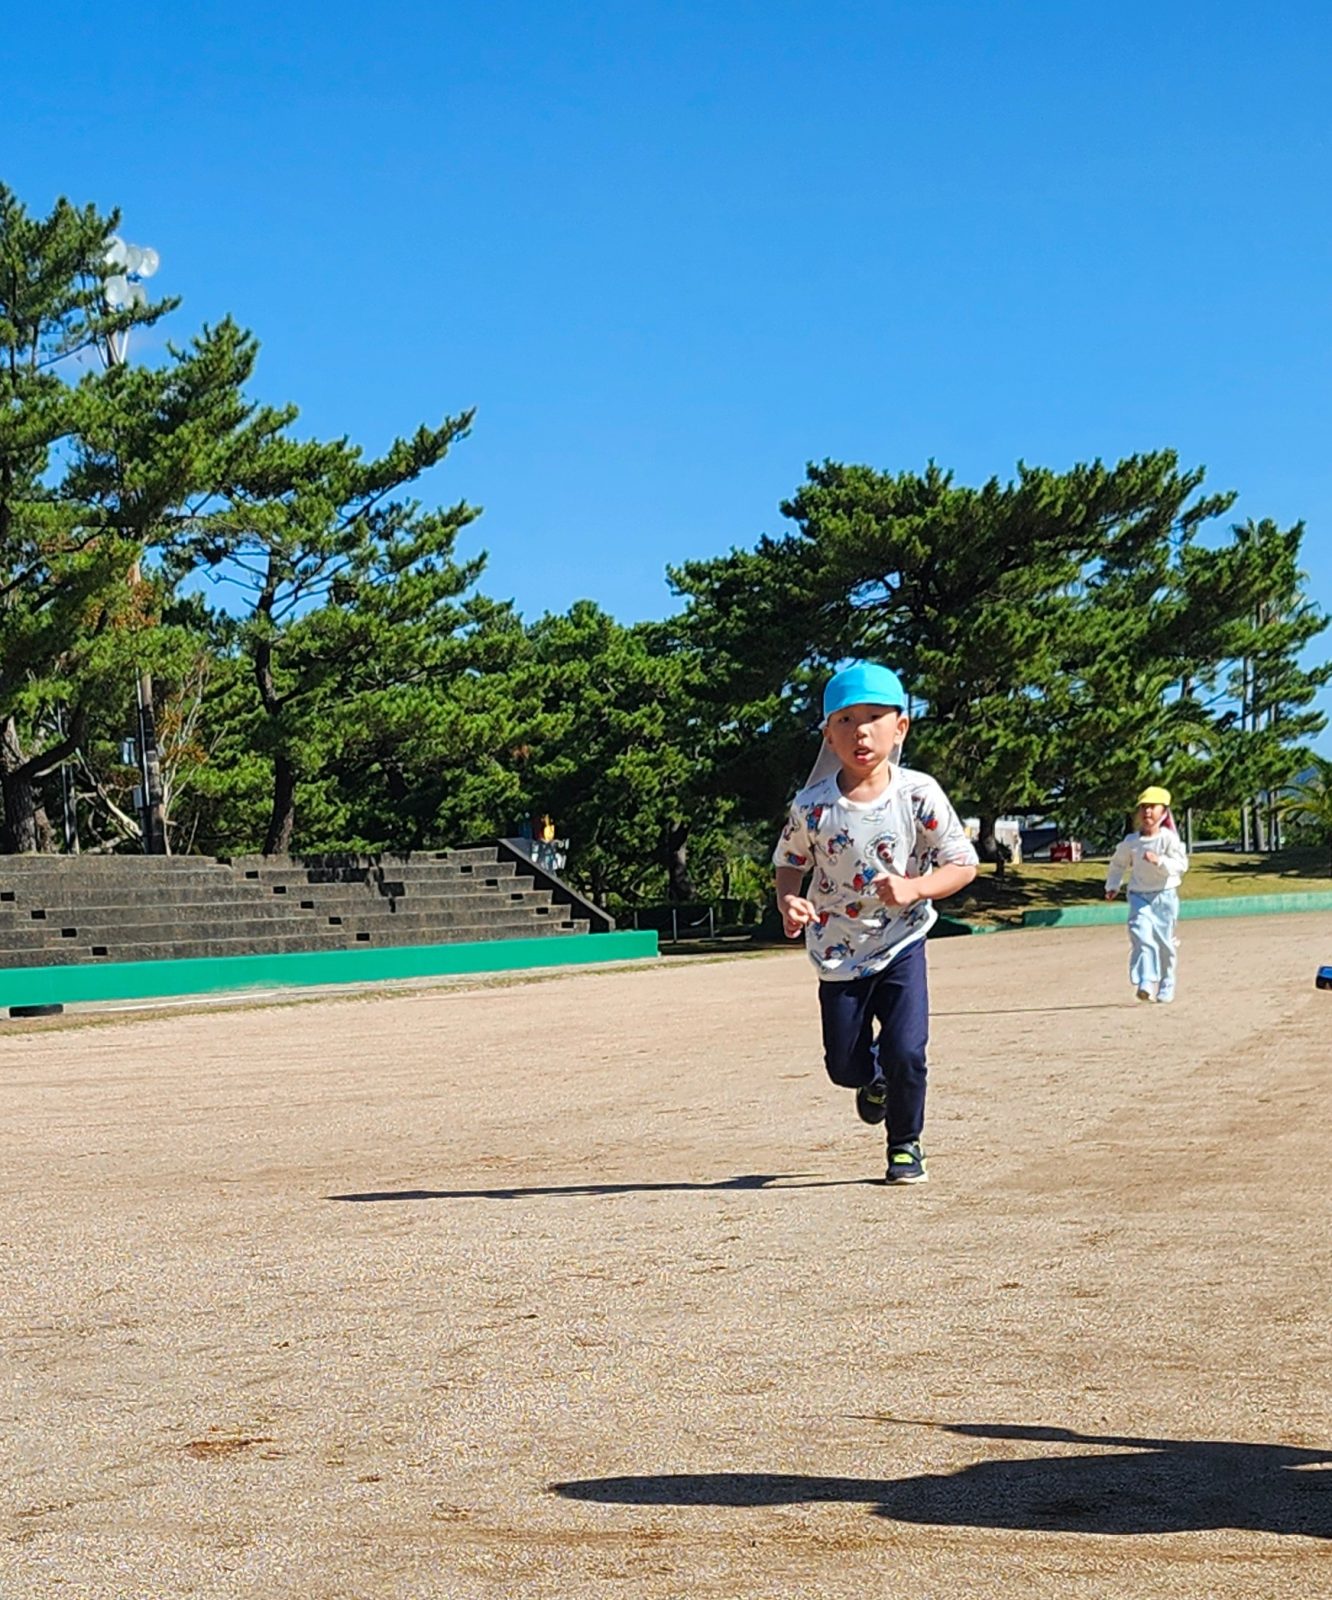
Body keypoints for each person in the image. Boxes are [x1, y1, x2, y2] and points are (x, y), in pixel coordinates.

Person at [773, 662, 979, 1185]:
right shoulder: (812, 806)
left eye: (873, 718)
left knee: (907, 1049)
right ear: (828, 735)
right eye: (845, 720)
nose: (860, 732)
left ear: (900, 727)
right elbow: (790, 861)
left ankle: (905, 1143)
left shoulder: (918, 794)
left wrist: (916, 888)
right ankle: (873, 1078)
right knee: (845, 1067)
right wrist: (788, 900)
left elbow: (962, 864)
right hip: (838, 951)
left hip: (903, 939)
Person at [1104, 785, 1189, 1004]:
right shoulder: (1131, 842)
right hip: (1138, 896)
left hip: (1165, 897)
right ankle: (1145, 982)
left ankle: (1166, 983)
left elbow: (1181, 865)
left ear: (1164, 812)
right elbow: (1118, 864)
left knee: (1164, 944)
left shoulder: (1169, 839)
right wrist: (1113, 885)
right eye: (1143, 807)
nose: (1147, 812)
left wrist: (1159, 861)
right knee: (1142, 938)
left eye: (1152, 807)